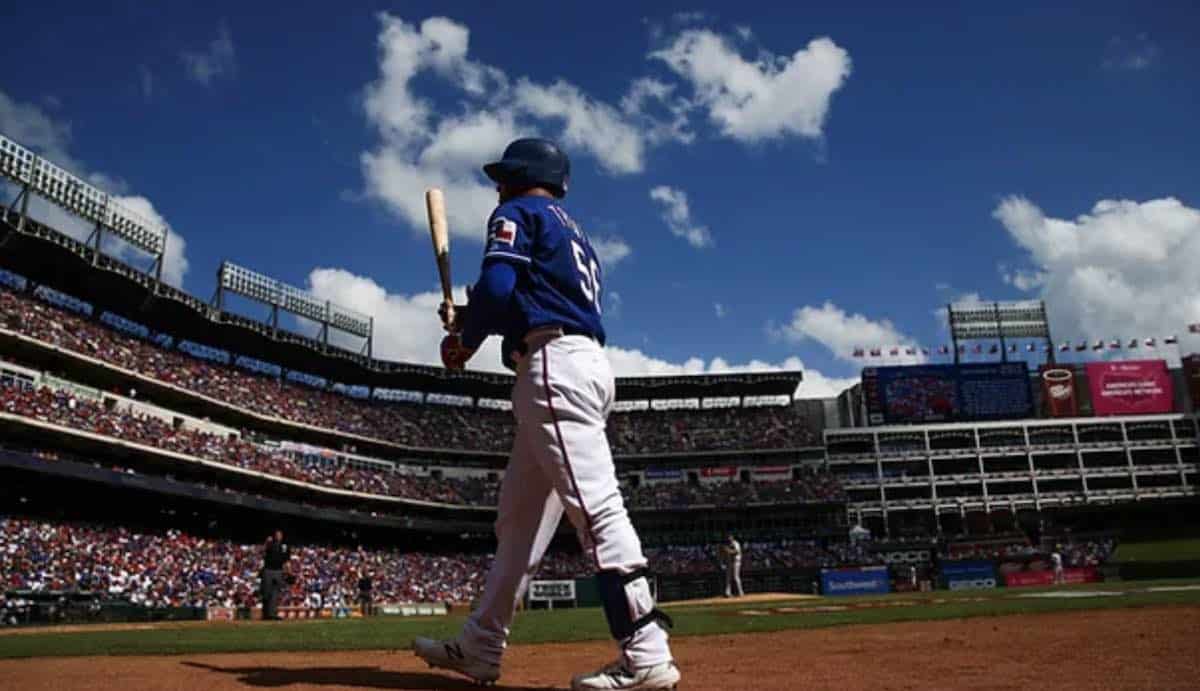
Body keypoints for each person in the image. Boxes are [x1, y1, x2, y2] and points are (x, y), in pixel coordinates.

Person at [413, 138, 679, 691]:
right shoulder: (572, 230)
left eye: (502, 176)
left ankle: (648, 655)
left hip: (554, 366)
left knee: (597, 510)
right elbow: (516, 296)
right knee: (518, 525)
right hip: (577, 362)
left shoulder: (516, 210)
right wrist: (470, 318)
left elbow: (499, 286)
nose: (496, 186)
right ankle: (481, 646)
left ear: (520, 174)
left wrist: (465, 333)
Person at [260, 529, 290, 620]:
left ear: (282, 536)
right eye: (276, 535)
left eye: (280, 535)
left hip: (279, 570)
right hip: (268, 570)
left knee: (275, 593)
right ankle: (265, 614)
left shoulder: (285, 546)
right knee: (266, 592)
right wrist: (266, 542)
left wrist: (288, 570)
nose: (278, 536)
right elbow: (263, 552)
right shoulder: (270, 544)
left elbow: (287, 559)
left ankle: (272, 614)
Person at [722, 534, 744, 598]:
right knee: (728, 578)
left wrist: (729, 551)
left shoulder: (736, 543)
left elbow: (737, 551)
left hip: (736, 562)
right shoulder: (727, 545)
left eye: (729, 537)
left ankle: (740, 592)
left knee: (735, 577)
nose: (728, 538)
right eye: (727, 537)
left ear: (732, 538)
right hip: (729, 562)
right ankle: (727, 593)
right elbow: (725, 555)